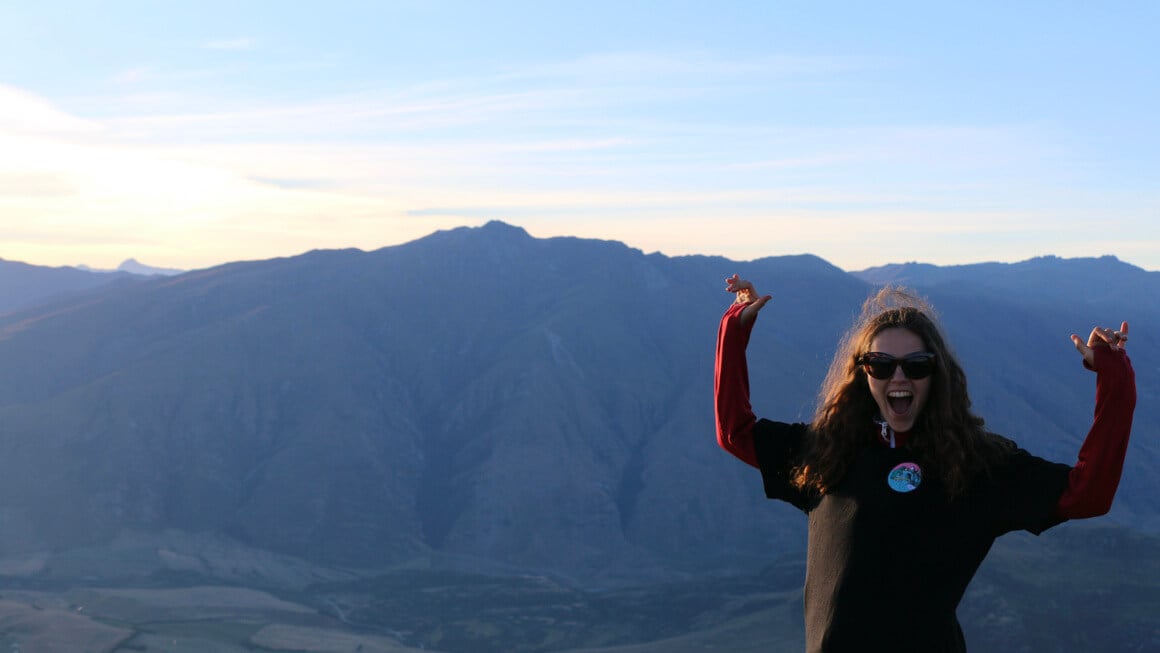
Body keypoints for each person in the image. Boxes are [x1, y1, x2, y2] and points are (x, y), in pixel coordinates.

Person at [714, 275, 1136, 653]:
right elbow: (736, 432)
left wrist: (1115, 381)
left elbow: (1088, 494)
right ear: (863, 374)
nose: (898, 378)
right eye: (880, 365)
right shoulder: (830, 454)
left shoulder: (976, 465)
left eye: (916, 366)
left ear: (937, 376)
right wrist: (735, 329)